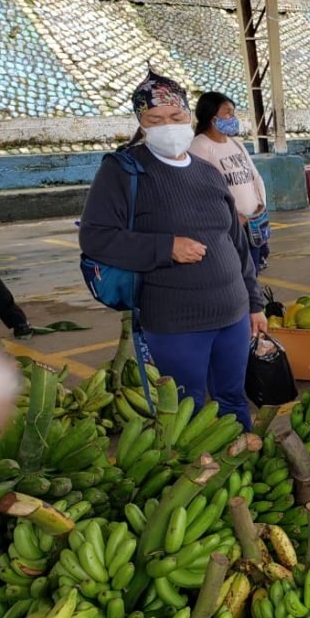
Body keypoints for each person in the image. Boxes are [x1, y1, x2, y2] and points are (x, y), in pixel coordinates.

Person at [79, 69, 264, 428]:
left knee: (233, 399)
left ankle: (244, 456)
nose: (168, 126)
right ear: (141, 123)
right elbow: (96, 237)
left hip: (233, 314)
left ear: (189, 116)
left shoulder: (207, 172)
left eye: (176, 117)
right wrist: (166, 247)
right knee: (184, 411)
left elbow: (236, 242)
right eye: (155, 119)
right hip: (176, 322)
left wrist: (254, 303)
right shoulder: (124, 171)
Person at [189, 92, 270, 273]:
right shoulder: (199, 146)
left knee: (253, 272)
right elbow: (201, 191)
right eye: (228, 113)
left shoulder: (236, 144)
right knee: (239, 273)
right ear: (212, 117)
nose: (233, 117)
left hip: (254, 222)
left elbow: (255, 177)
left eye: (233, 113)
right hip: (231, 226)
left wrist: (260, 206)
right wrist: (233, 218)